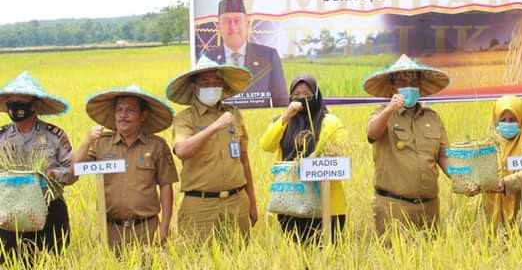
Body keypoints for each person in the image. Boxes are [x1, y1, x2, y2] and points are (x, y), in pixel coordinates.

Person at [72, 85, 178, 249]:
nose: (123, 115)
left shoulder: (156, 145)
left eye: (130, 110)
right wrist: (87, 141)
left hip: (146, 228)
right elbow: (74, 170)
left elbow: (166, 186)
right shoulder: (100, 143)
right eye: (119, 110)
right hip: (110, 229)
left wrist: (164, 225)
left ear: (143, 116)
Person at [168, 56, 259, 239]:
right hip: (200, 206)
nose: (212, 86)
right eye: (205, 82)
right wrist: (215, 126)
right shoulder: (185, 119)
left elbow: (244, 161)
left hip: (237, 201)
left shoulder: (233, 115)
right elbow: (183, 151)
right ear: (195, 88)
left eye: (216, 81)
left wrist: (252, 203)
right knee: (199, 261)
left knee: (239, 258)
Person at [364, 54, 450, 236]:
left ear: (420, 86)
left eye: (413, 81)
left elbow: (443, 156)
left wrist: (462, 178)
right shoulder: (382, 115)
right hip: (394, 207)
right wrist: (389, 109)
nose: (408, 86)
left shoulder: (432, 118)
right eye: (402, 81)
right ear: (393, 87)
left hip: (429, 207)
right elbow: (372, 133)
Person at [259, 75, 349, 243]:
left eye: (307, 93)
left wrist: (310, 162)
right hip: (291, 204)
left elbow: (340, 154)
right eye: (296, 94)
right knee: (297, 255)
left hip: (327, 205)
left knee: (327, 257)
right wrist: (286, 116)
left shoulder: (330, 122)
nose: (302, 98)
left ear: (316, 95)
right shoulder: (283, 122)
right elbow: (266, 145)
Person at [0, 72, 77, 265]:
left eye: (21, 101)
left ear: (35, 106)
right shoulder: (1, 136)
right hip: (9, 213)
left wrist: (53, 174)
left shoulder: (54, 136)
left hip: (49, 210)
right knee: (10, 262)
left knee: (51, 261)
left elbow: (73, 172)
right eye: (11, 102)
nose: (15, 107)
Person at [468, 95, 522, 231]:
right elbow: (479, 172)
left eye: (513, 120)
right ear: (496, 121)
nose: (507, 124)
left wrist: (504, 183)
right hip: (492, 207)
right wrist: (473, 184)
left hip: (521, 207)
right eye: (503, 120)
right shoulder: (488, 143)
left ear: (521, 119)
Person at [201, 0, 289, 107]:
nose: (232, 26)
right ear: (218, 27)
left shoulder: (269, 56)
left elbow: (281, 100)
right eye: (226, 21)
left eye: (237, 20)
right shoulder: (208, 59)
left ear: (246, 24)